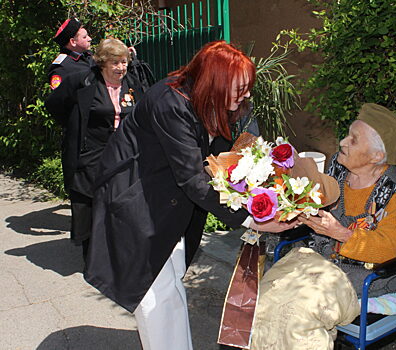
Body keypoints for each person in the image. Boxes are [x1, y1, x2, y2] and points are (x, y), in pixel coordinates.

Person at [83, 40, 294, 350]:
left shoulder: (211, 99)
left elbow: (220, 161)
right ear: (217, 81)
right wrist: (252, 219)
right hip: (137, 201)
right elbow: (193, 176)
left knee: (170, 289)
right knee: (155, 295)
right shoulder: (170, 101)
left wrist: (261, 187)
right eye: (241, 87)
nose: (247, 94)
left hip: (169, 204)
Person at [251, 103, 396, 350]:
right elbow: (316, 205)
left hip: (365, 275)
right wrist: (298, 213)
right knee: (266, 296)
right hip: (321, 260)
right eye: (347, 134)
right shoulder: (338, 169)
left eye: (353, 139)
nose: (342, 142)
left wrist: (340, 233)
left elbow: (387, 250)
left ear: (376, 156)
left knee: (299, 312)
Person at [45, 38, 146, 262]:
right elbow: (54, 104)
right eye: (115, 63)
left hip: (124, 154)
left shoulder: (132, 82)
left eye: (124, 62)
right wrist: (74, 125)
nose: (121, 68)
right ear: (102, 63)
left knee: (120, 201)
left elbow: (142, 112)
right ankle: (91, 255)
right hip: (92, 152)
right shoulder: (83, 81)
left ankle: (117, 252)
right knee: (90, 201)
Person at [48, 18, 93, 90]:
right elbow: (60, 97)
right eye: (84, 37)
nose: (89, 39)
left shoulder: (89, 55)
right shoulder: (62, 67)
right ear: (73, 42)